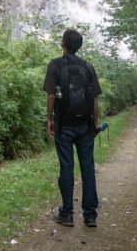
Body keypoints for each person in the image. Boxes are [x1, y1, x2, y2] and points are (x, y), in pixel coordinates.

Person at [42, 28, 103, 228]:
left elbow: (51, 95)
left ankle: (66, 213)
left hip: (64, 125)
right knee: (87, 168)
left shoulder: (55, 65)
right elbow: (94, 98)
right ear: (79, 46)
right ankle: (90, 215)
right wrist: (95, 123)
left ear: (63, 44)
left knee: (66, 167)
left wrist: (49, 119)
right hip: (85, 126)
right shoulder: (88, 67)